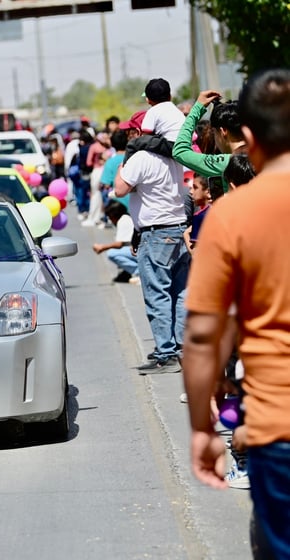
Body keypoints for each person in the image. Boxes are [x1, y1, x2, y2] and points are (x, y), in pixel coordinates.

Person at [182, 67, 290, 558]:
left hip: (279, 427)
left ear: (247, 138)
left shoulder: (231, 215)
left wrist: (204, 429)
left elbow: (205, 333)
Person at [115, 110, 189, 375]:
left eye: (132, 132)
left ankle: (166, 353)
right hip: (179, 228)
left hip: (156, 233)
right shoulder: (175, 156)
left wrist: (124, 163)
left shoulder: (142, 158)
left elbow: (120, 189)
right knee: (180, 292)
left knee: (157, 293)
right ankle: (181, 348)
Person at [172, 90, 246, 192]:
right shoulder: (263, 155)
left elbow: (180, 151)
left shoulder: (224, 163)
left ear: (223, 131)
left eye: (214, 133)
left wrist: (197, 108)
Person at [92, 200, 138, 283]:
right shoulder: (126, 218)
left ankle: (138, 272)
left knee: (112, 253)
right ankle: (127, 273)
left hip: (137, 250)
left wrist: (102, 247)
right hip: (136, 249)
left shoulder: (123, 221)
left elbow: (119, 244)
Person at [183, 173, 211, 251]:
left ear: (208, 192)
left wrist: (186, 235)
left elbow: (195, 254)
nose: (191, 192)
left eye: (195, 188)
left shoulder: (199, 216)